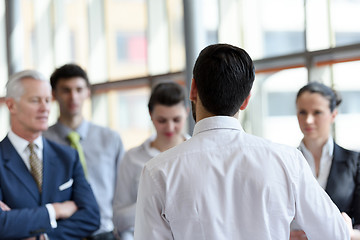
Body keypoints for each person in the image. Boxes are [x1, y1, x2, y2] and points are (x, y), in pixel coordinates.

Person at [133, 43, 351, 239]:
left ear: (192, 90)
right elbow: (335, 235)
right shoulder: (287, 160)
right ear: (246, 99)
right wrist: (344, 225)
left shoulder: (157, 171)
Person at [0, 70, 100, 239]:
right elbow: (2, 225)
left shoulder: (68, 156)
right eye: (35, 100)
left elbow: (91, 217)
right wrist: (56, 210)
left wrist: (43, 237)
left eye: (47, 100)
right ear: (11, 105)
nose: (45, 108)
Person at [43, 64, 125, 240]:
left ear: (88, 92)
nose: (73, 97)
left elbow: (122, 192)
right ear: (54, 94)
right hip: (59, 233)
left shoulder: (110, 139)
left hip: (105, 233)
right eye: (66, 90)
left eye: (79, 89)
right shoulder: (42, 142)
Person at [113, 82, 189, 239]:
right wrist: (157, 201)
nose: (169, 127)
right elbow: (119, 219)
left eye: (176, 120)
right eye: (162, 120)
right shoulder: (131, 158)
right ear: (150, 115)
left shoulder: (197, 155)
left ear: (187, 112)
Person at [290, 81, 360, 240]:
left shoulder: (355, 162)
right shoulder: (285, 161)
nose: (308, 120)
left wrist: (348, 234)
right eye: (302, 112)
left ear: (333, 115)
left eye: (317, 112)